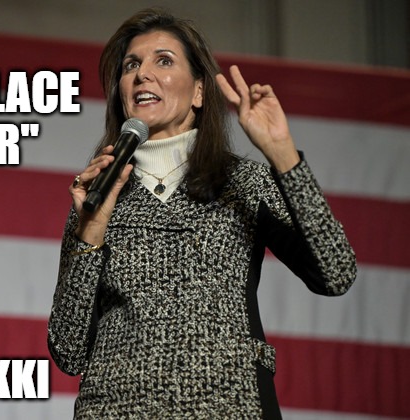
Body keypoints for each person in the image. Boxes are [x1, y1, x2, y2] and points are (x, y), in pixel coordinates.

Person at [47, 7, 356, 419]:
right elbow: (69, 351)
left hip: (228, 406)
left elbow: (336, 273)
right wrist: (91, 230)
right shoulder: (96, 195)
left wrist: (282, 153)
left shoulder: (244, 182)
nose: (142, 74)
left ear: (198, 92)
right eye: (131, 65)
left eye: (163, 61)